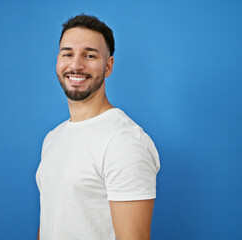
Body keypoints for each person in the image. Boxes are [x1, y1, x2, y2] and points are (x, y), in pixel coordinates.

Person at [36, 14, 160, 240]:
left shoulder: (124, 141)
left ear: (108, 66)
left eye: (89, 55)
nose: (75, 64)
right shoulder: (53, 138)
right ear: (58, 60)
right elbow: (50, 223)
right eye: (68, 54)